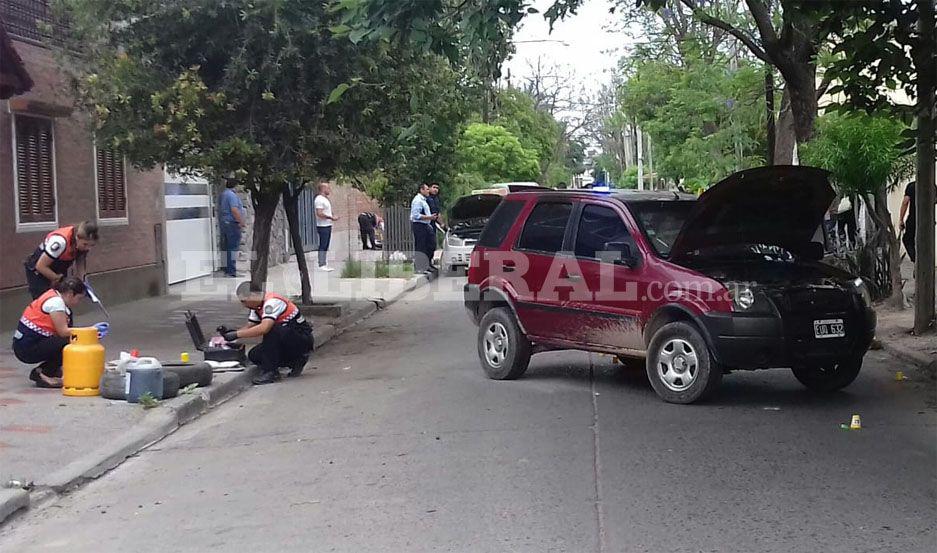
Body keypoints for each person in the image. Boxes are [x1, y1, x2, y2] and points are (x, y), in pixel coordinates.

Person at [221, 282, 314, 385]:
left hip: (301, 339)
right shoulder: (257, 306)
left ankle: (271, 372)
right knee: (254, 355)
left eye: (244, 301)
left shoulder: (272, 303)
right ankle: (295, 361)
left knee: (272, 329)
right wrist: (230, 335)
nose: (244, 305)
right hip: (286, 339)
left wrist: (237, 334)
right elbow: (250, 326)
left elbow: (264, 328)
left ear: (253, 296)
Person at [12, 277, 88, 388]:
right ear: (70, 294)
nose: (78, 303)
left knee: (67, 338)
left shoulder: (52, 294)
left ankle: (53, 369)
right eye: (79, 298)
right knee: (70, 340)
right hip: (27, 348)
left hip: (23, 343)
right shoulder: (56, 303)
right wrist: (89, 331)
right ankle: (42, 373)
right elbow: (63, 332)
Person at [23, 221, 99, 299]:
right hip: (39, 270)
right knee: (46, 301)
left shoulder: (83, 245)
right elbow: (40, 266)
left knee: (63, 299)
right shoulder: (60, 242)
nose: (88, 248)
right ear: (77, 237)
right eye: (85, 244)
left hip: (58, 267)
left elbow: (80, 265)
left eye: (92, 245)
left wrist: (83, 283)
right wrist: (58, 278)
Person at [219, 178, 246, 277]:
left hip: (225, 222)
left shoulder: (223, 194)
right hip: (232, 223)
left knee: (226, 246)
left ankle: (227, 269)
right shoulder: (232, 195)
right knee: (233, 247)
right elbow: (234, 210)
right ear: (236, 185)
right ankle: (231, 271)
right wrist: (241, 221)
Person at [410, 183, 438, 273]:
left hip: (426, 225)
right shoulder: (417, 200)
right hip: (419, 225)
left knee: (431, 244)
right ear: (421, 190)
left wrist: (430, 218)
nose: (428, 191)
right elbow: (415, 215)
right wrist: (429, 217)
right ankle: (420, 267)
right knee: (421, 246)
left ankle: (427, 263)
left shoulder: (423, 200)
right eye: (426, 189)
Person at [314, 182, 339, 271]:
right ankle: (321, 264)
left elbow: (327, 211)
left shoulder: (325, 199)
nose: (329, 190)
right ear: (323, 189)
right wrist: (331, 217)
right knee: (323, 244)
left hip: (328, 225)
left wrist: (332, 216)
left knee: (326, 244)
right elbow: (319, 213)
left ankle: (324, 263)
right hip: (322, 225)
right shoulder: (319, 199)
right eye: (328, 188)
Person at [426, 183, 443, 272]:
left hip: (433, 223)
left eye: (437, 188)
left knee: (432, 244)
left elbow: (438, 213)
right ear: (429, 188)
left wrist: (442, 224)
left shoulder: (436, 199)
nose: (436, 189)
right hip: (426, 223)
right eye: (434, 187)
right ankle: (426, 263)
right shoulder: (426, 199)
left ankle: (430, 262)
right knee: (427, 244)